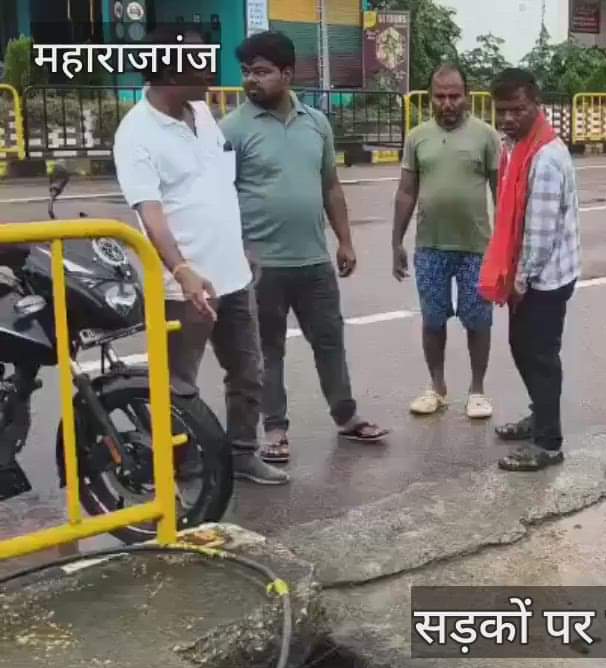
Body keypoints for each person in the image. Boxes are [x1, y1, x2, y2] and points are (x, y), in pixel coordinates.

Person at [112, 27, 288, 486]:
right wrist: (182, 269)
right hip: (181, 288)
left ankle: (243, 453)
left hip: (233, 277)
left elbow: (218, 187)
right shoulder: (136, 134)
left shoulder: (202, 114)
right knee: (177, 384)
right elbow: (150, 214)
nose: (212, 69)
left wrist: (241, 245)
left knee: (248, 372)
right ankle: (183, 463)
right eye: (200, 61)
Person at [220, 31, 389, 466]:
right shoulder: (232, 130)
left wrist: (345, 240)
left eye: (261, 71)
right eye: (246, 72)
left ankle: (346, 416)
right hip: (261, 267)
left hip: (314, 261)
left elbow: (330, 186)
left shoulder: (317, 122)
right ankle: (274, 429)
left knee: (329, 341)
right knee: (266, 351)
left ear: (287, 74)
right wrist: (237, 252)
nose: (250, 80)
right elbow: (218, 197)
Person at [481, 68, 581, 472]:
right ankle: (539, 416)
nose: (508, 119)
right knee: (525, 350)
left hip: (545, 277)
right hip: (533, 273)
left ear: (535, 106)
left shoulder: (544, 157)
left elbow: (540, 236)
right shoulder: (517, 146)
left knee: (538, 356)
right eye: (501, 110)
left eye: (517, 110)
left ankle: (548, 442)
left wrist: (518, 282)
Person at [392, 64, 502, 420]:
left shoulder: (486, 136)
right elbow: (406, 192)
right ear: (429, 98)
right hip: (430, 247)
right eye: (440, 96)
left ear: (466, 97)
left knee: (478, 320)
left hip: (477, 248)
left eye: (455, 95)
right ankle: (436, 387)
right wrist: (397, 242)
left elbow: (502, 194)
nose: (448, 103)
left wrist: (506, 246)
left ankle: (478, 390)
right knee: (433, 319)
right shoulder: (417, 137)